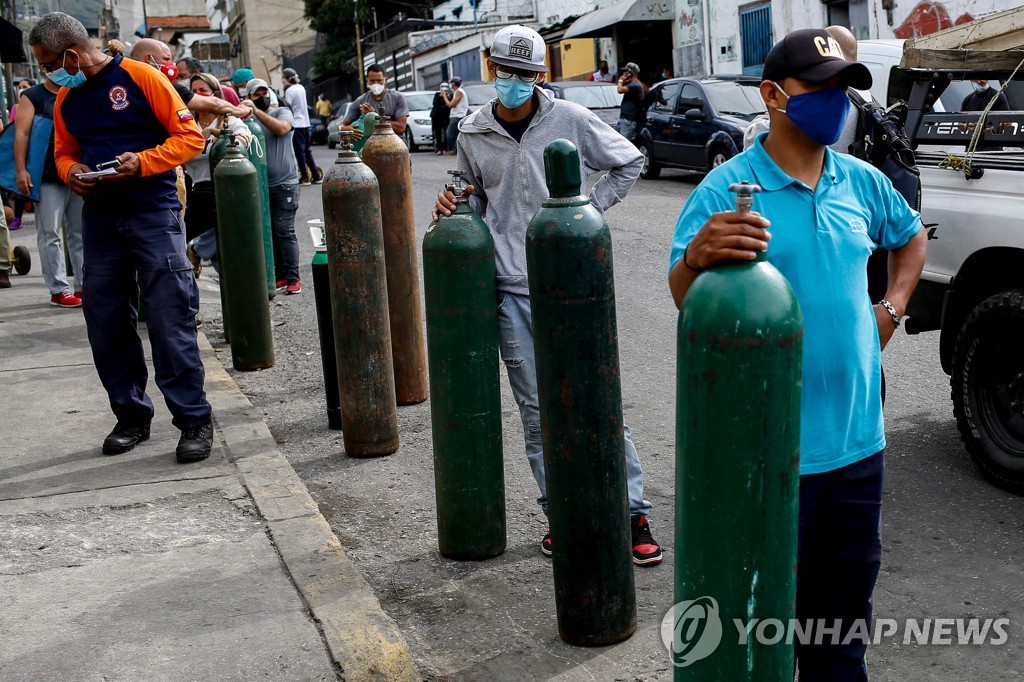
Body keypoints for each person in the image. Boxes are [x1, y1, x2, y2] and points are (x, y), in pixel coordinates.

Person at [668, 28, 927, 678]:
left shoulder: (861, 182)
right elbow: (684, 295)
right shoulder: (725, 191)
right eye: (822, 87)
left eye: (844, 89)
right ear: (773, 96)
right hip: (768, 462)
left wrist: (890, 309)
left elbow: (911, 237)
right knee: (764, 633)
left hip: (858, 453)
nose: (836, 101)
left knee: (840, 636)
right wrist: (697, 258)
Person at [433, 24, 662, 567]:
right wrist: (454, 206)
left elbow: (629, 161)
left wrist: (584, 214)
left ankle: (630, 515)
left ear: (541, 77)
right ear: (492, 71)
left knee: (597, 402)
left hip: (574, 285)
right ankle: (564, 515)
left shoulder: (572, 120)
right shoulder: (472, 132)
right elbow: (470, 198)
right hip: (512, 290)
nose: (515, 83)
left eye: (526, 75)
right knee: (538, 414)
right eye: (506, 73)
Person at [30, 11, 215, 463]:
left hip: (153, 213)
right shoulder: (65, 100)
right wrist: (73, 172)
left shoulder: (139, 77)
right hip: (102, 219)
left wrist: (144, 161)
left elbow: (188, 137)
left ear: (72, 55)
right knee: (107, 320)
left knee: (169, 318)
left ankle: (194, 420)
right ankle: (132, 416)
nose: (46, 74)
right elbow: (65, 152)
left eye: (49, 63)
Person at [13, 76, 85, 307]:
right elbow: (21, 134)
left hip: (79, 172)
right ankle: (59, 289)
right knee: (50, 233)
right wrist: (21, 170)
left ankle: (84, 287)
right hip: (46, 175)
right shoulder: (32, 96)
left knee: (81, 233)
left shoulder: (78, 91)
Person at [184, 73, 252, 276]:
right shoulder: (185, 122)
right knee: (219, 240)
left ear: (214, 94)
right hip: (198, 191)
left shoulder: (228, 120)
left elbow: (243, 139)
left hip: (227, 191)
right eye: (193, 92)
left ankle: (197, 252)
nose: (198, 95)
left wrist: (216, 134)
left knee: (226, 237)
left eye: (202, 91)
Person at [242, 78, 302, 295]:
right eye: (255, 94)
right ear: (248, 97)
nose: (261, 97)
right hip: (263, 185)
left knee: (284, 230)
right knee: (271, 232)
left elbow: (282, 129)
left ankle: (294, 278)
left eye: (263, 92)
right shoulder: (248, 122)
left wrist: (256, 112)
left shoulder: (282, 112)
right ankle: (281, 276)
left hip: (285, 184)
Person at [340, 64, 409, 143]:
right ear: (367, 80)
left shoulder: (398, 98)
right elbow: (342, 126)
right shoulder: (361, 101)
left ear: (385, 80)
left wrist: (373, 117)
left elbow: (401, 128)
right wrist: (346, 129)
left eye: (379, 80)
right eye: (372, 81)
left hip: (396, 146)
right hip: (371, 147)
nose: (376, 84)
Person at [282, 67, 319, 185]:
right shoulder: (301, 88)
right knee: (307, 151)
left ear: (287, 78)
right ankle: (315, 175)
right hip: (306, 123)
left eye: (283, 78)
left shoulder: (290, 91)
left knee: (299, 152)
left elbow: (287, 106)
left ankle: (304, 177)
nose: (282, 80)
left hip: (297, 124)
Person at [961, 78, 1010, 151]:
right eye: (979, 79)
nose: (982, 80)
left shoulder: (999, 97)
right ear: (972, 80)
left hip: (993, 149)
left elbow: (1008, 123)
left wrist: (991, 129)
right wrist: (967, 126)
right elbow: (960, 124)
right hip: (971, 149)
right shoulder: (967, 99)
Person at [614, 62, 643, 141]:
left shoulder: (636, 84)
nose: (625, 73)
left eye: (626, 71)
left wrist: (620, 80)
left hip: (628, 120)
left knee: (623, 144)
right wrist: (623, 80)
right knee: (616, 142)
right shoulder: (631, 83)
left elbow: (620, 90)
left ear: (631, 72)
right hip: (624, 118)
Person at [441, 76, 468, 154]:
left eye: (451, 83)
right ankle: (456, 150)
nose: (450, 85)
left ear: (454, 83)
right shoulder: (457, 92)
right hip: (456, 115)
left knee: (450, 133)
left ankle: (453, 149)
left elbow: (451, 105)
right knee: (456, 134)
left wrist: (444, 96)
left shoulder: (459, 92)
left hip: (458, 116)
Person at [430, 82, 450, 155]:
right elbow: (435, 104)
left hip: (445, 116)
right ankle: (439, 148)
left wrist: (446, 97)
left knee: (445, 132)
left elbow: (449, 105)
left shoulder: (450, 94)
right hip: (436, 116)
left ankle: (445, 147)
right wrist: (440, 96)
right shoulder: (437, 94)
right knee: (437, 132)